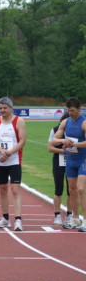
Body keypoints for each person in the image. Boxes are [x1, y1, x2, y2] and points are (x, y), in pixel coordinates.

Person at [0, 97, 26, 231]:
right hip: (0, 161)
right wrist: (1, 151)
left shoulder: (19, 121)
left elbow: (22, 141)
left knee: (15, 189)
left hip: (14, 160)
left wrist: (9, 153)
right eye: (0, 108)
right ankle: (5, 219)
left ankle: (18, 220)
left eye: (5, 108)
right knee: (2, 190)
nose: (2, 110)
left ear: (11, 108)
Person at [52, 97, 86, 232]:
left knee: (81, 189)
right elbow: (54, 139)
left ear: (79, 109)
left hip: (83, 159)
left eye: (72, 110)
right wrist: (63, 140)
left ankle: (85, 220)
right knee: (71, 190)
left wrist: (74, 144)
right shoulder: (65, 122)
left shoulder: (84, 123)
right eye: (68, 110)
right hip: (71, 160)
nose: (70, 113)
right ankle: (75, 218)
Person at [47, 112, 72, 226]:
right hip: (59, 160)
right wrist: (63, 151)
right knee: (59, 188)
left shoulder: (76, 131)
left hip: (72, 161)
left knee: (71, 189)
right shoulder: (55, 130)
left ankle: (69, 215)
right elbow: (50, 148)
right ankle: (57, 215)